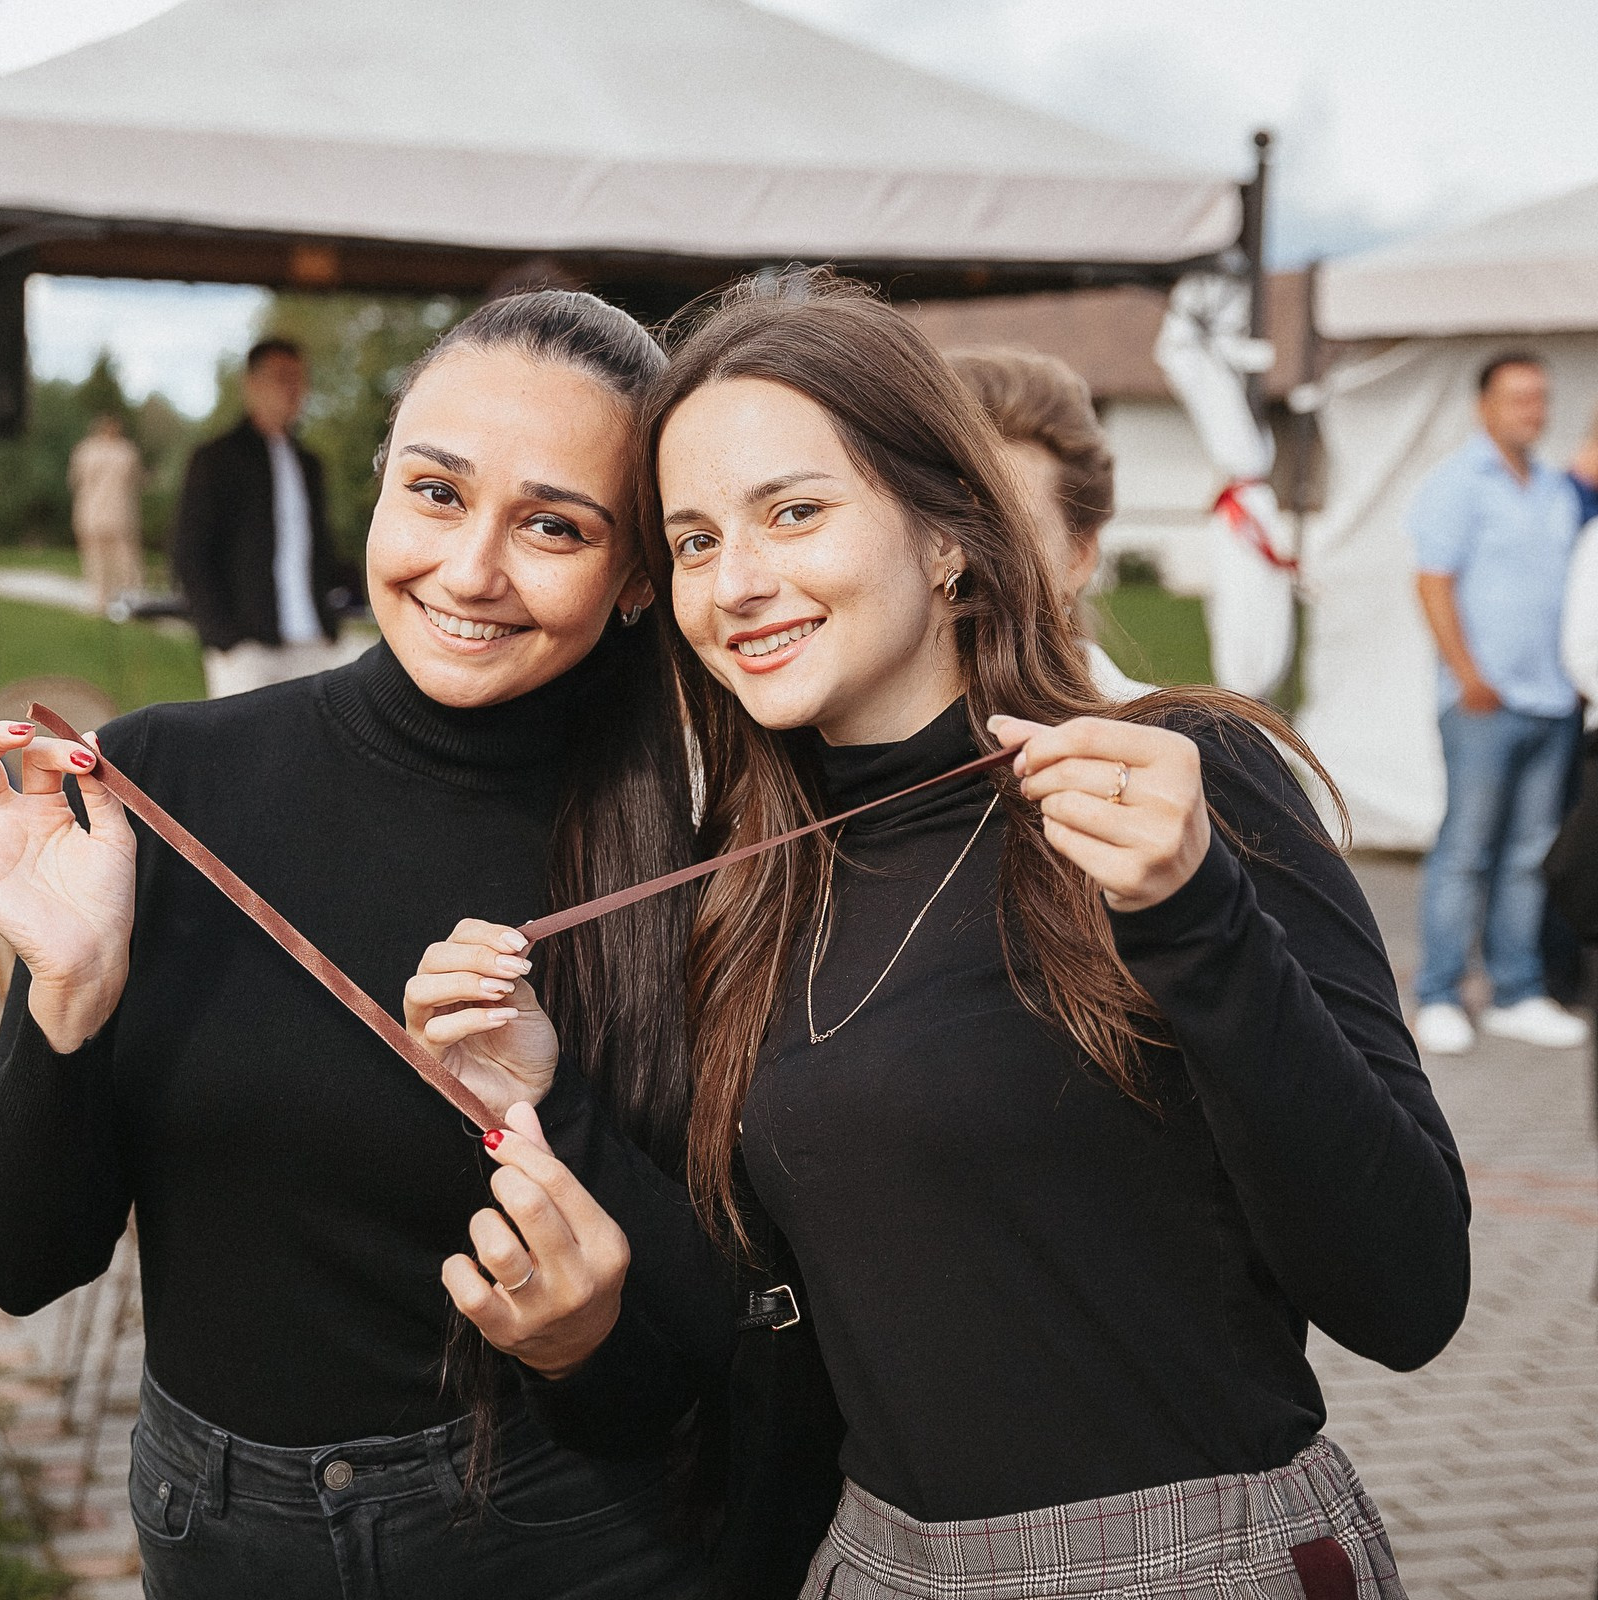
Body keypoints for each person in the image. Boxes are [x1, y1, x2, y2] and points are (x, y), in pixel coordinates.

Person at [410, 278, 1470, 1600]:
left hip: (1192, 1563)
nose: (737, 583)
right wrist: (540, 1095)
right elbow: (770, 1342)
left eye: (795, 511)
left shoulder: (1172, 782)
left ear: (949, 533)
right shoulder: (748, 888)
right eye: (692, 540)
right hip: (874, 1566)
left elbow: (1408, 1291)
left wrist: (1198, 916)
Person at [0, 292, 786, 1598]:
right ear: (376, 487)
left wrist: (583, 1338)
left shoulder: (698, 857)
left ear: (640, 576)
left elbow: (703, 1368)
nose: (471, 570)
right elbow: (23, 1262)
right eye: (437, 492)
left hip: (564, 1536)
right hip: (218, 1537)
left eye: (553, 525)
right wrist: (70, 995)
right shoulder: (164, 783)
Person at [1410, 352, 1597, 1055]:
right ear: (1483, 406)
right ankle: (1439, 993)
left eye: (1540, 398)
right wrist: (1467, 673)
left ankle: (1515, 991)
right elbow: (1432, 583)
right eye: (1518, 397)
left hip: (1553, 702)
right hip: (1484, 702)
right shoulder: (1456, 484)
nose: (1532, 410)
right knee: (1466, 849)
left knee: (1529, 854)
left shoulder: (1555, 489)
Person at [949, 345, 1150, 699]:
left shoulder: (1180, 731)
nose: (960, 561)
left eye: (1007, 532)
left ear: (1080, 556)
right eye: (941, 525)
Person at [172, 336, 358, 696]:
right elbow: (190, 553)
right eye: (282, 378)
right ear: (251, 385)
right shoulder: (216, 459)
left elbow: (318, 549)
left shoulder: (309, 464)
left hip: (313, 643)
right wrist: (223, 639)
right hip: (247, 649)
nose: (294, 389)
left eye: (300, 379)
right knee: (241, 734)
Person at [70, 411, 147, 610]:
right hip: (117, 512)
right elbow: (138, 481)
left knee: (104, 558)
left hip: (96, 511)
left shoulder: (87, 450)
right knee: (119, 559)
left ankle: (103, 599)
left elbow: (75, 480)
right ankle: (124, 599)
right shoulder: (126, 451)